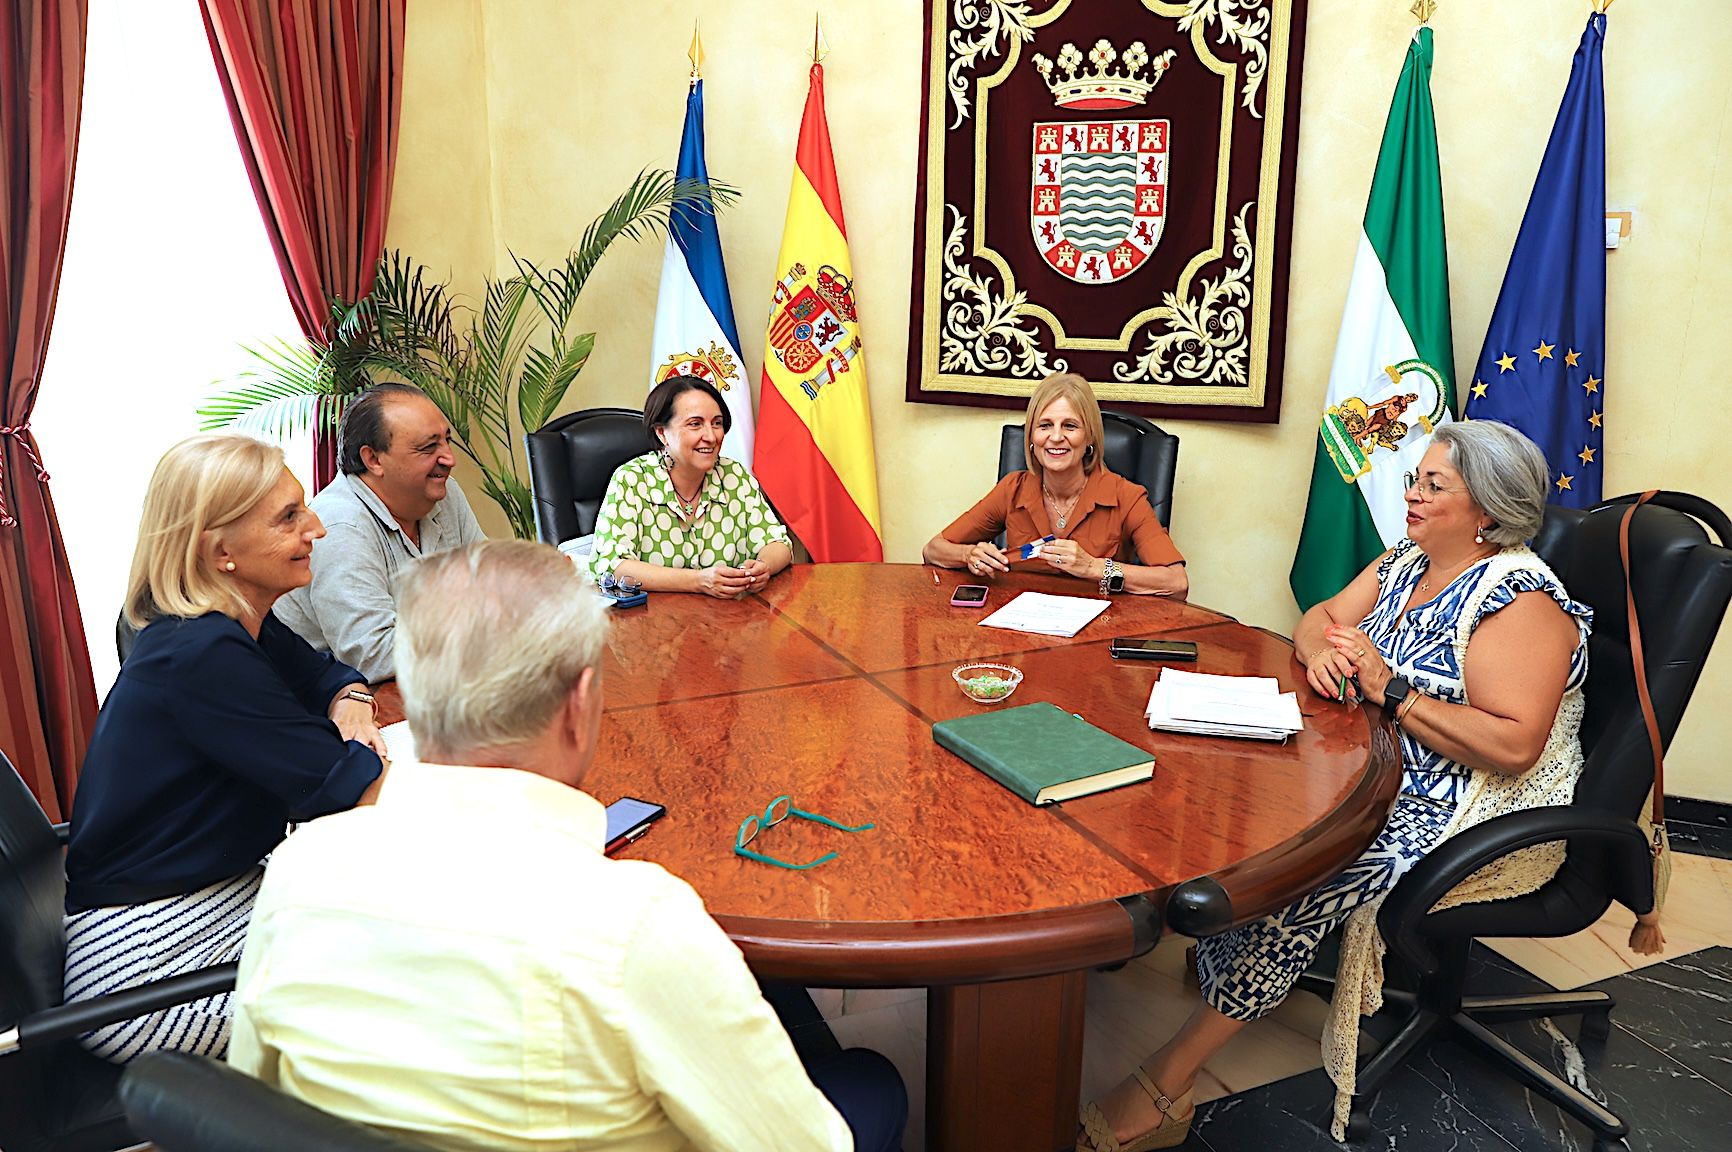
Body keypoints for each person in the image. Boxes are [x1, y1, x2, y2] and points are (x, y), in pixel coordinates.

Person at [229, 540, 907, 1152]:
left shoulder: (297, 873)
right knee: (873, 1083)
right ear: (581, 706)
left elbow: (254, 1100)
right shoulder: (637, 925)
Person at [1076, 421, 1604, 1151]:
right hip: (1371, 757)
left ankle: (1171, 1079)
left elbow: (1514, 746)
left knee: (1304, 870)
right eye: (1415, 477)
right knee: (1232, 790)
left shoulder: (1519, 599)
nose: (1409, 492)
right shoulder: (1407, 559)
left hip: (1467, 798)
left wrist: (1392, 693)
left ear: (1486, 510)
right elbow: (1320, 617)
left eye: (1432, 484)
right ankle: (1213, 954)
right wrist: (1325, 654)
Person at [61, 434, 387, 1064]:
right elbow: (346, 788)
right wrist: (360, 750)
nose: (316, 527)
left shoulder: (234, 623)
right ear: (221, 552)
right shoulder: (202, 653)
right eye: (289, 517)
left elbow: (326, 672)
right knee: (418, 967)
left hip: (216, 904)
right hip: (150, 973)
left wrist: (352, 702)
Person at [273, 382, 485, 681]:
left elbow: (491, 582)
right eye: (428, 447)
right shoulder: (340, 526)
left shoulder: (442, 491)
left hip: (438, 679)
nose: (449, 459)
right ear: (373, 459)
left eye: (446, 441)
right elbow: (373, 655)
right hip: (350, 702)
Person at [922, 372, 1188, 598]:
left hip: (1099, 635)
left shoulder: (1125, 497)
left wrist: (1094, 568)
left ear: (1090, 438)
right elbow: (934, 549)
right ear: (1031, 438)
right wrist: (969, 554)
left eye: (1070, 426)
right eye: (1045, 426)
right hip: (1021, 631)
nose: (1056, 437)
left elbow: (1176, 583)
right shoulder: (1012, 489)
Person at [589, 376, 792, 598]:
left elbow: (778, 543)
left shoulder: (733, 476)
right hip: (651, 622)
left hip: (727, 622)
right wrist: (698, 581)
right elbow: (613, 567)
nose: (711, 436)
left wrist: (762, 567)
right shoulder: (632, 480)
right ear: (662, 433)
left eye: (717, 423)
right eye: (695, 424)